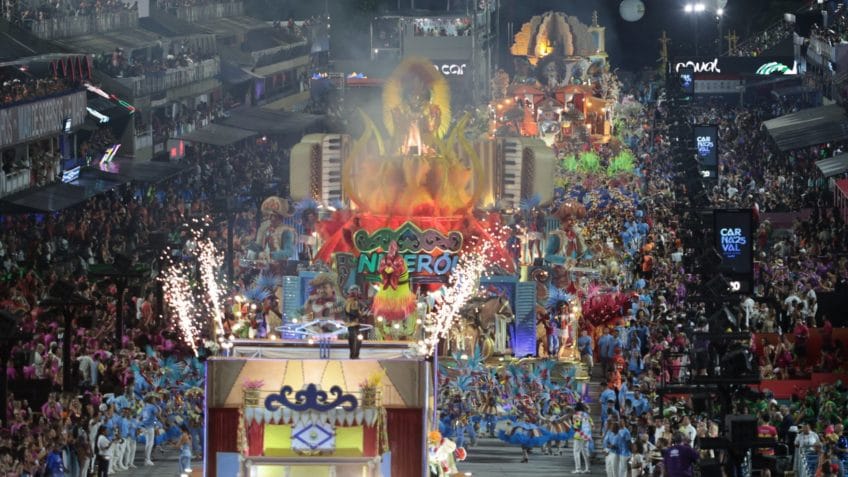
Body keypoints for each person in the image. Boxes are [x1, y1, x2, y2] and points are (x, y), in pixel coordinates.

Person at [344, 285, 364, 359]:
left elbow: (357, 312)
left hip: (354, 324)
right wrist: (359, 316)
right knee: (356, 339)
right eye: (354, 291)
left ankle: (354, 355)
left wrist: (360, 314)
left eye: (356, 291)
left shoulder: (355, 301)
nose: (355, 292)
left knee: (355, 339)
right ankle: (354, 356)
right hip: (352, 324)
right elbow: (351, 312)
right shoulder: (351, 301)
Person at [572, 403, 593, 474]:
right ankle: (588, 468)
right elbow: (592, 424)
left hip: (579, 434)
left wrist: (574, 427)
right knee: (585, 451)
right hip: (587, 435)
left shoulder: (576, 415)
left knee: (576, 451)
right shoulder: (587, 415)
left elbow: (577, 426)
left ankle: (578, 469)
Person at [141, 394, 160, 466]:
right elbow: (158, 415)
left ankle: (147, 459)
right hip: (149, 426)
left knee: (148, 443)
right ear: (151, 400)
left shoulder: (145, 406)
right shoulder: (152, 407)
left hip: (144, 426)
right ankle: (147, 460)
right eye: (154, 399)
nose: (155, 400)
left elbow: (141, 416)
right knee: (150, 443)